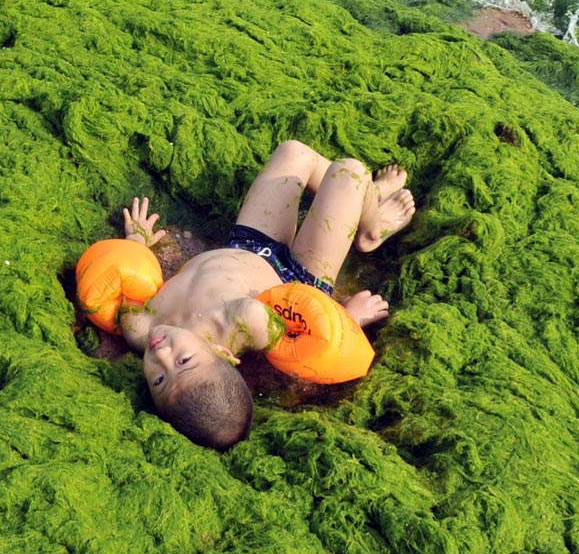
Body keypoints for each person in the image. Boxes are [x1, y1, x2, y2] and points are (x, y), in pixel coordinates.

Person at [77, 141, 416, 448]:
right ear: (223, 353)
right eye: (184, 361)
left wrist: (137, 243)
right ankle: (372, 227)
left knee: (293, 152)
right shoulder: (244, 325)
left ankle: (361, 202)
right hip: (301, 278)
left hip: (248, 245)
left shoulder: (140, 330)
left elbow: (124, 283)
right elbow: (307, 342)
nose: (162, 354)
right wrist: (347, 317)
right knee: (350, 171)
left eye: (160, 377)